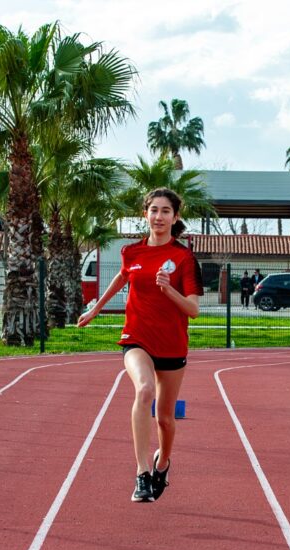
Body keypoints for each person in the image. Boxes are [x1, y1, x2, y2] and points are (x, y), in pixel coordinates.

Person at [78, 188, 203, 503]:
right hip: (136, 337)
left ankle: (163, 462)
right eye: (154, 210)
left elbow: (193, 310)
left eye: (165, 211)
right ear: (144, 214)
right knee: (144, 389)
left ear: (175, 218)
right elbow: (122, 278)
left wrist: (168, 290)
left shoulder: (184, 258)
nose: (159, 217)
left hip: (173, 345)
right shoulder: (131, 253)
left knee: (164, 419)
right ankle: (142, 473)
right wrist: (95, 308)